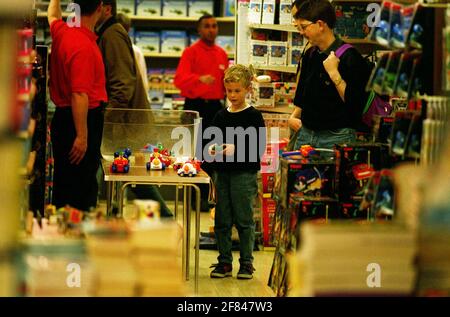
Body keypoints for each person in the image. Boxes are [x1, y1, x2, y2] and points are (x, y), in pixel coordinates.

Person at [96, 0, 172, 217]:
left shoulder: (112, 35)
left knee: (134, 178)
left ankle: (166, 220)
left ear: (107, 8)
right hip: (125, 122)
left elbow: (122, 86)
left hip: (125, 124)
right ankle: (160, 219)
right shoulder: (110, 33)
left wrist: (108, 122)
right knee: (131, 178)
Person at [207, 65, 266, 279]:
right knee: (222, 219)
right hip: (222, 174)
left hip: (244, 174)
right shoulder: (220, 116)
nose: (232, 95)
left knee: (244, 219)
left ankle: (247, 263)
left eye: (237, 91)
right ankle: (224, 262)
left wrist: (237, 149)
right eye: (229, 91)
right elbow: (210, 142)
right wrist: (212, 149)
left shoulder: (254, 116)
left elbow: (259, 148)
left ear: (248, 89)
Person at [288, 0, 371, 151]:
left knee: (333, 175)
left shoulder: (350, 57)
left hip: (336, 136)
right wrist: (293, 117)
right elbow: (302, 96)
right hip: (306, 135)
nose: (301, 32)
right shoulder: (311, 54)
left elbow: (355, 104)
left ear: (320, 25)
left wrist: (334, 73)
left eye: (304, 27)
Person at [47, 0, 106, 211]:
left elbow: (52, 15)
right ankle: (76, 234)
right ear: (99, 7)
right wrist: (82, 136)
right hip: (80, 120)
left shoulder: (63, 31)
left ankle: (64, 230)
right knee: (80, 186)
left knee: (65, 182)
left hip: (63, 119)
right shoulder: (82, 45)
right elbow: (79, 94)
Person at [174, 14, 229, 210]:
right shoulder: (190, 52)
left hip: (215, 108)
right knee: (193, 154)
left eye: (214, 26)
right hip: (195, 107)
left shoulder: (222, 54)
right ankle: (193, 199)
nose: (211, 29)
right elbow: (179, 80)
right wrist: (199, 79)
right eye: (207, 26)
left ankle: (209, 198)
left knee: (212, 155)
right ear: (199, 30)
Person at [115, 12, 150, 97]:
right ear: (129, 29)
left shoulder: (135, 51)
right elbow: (143, 82)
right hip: (131, 98)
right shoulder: (136, 51)